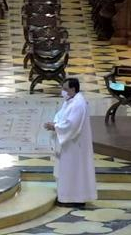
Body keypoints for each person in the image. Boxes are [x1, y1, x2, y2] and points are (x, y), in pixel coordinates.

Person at [44, 78, 97, 208]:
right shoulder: (71, 100)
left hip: (74, 145)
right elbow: (62, 115)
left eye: (65, 89)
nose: (63, 92)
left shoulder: (78, 104)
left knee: (74, 171)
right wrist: (56, 123)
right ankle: (67, 196)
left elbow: (72, 125)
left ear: (73, 89)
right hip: (69, 144)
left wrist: (55, 127)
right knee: (68, 170)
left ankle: (74, 198)